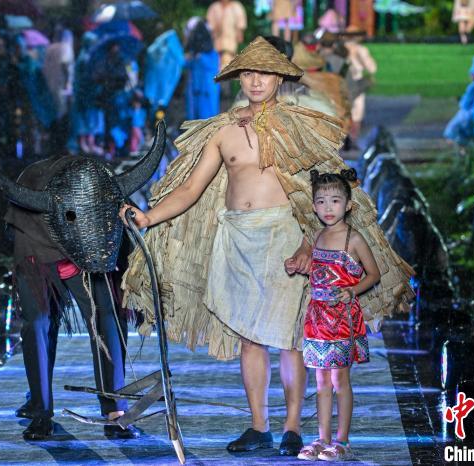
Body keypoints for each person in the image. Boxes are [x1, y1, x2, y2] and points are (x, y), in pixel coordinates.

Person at [120, 36, 414, 456]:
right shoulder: (222, 132)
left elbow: (324, 193)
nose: (256, 81)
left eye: (265, 73)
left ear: (279, 78)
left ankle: (293, 427)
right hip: (237, 237)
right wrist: (149, 217)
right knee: (250, 339)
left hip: (286, 238)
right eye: (249, 73)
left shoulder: (299, 126)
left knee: (290, 337)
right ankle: (259, 425)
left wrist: (312, 247)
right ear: (239, 78)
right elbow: (191, 187)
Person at [6, 157, 140, 440]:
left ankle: (115, 409)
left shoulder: (104, 196)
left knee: (108, 315)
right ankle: (40, 410)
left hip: (90, 251)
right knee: (39, 321)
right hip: (38, 249)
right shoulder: (30, 217)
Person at [291, 169, 379, 461]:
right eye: (322, 202)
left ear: (349, 204)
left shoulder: (353, 240)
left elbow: (374, 274)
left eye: (335, 201)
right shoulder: (316, 236)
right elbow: (314, 270)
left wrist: (353, 290)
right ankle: (321, 438)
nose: (328, 208)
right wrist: (296, 264)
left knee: (340, 381)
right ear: (314, 206)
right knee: (321, 383)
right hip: (316, 321)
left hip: (342, 320)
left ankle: (342, 441)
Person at [343, 27, 377, 141]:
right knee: (357, 113)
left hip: (342, 81)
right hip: (356, 81)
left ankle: (346, 140)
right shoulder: (361, 50)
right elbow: (372, 68)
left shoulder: (340, 47)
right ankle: (352, 139)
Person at [185, 19, 220, 120]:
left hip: (206, 93)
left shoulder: (210, 55)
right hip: (197, 93)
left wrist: (198, 57)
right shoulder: (195, 57)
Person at [206, 0, 247, 69]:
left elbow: (241, 25)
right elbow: (209, 26)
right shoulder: (214, 7)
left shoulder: (236, 6)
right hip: (216, 44)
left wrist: (239, 34)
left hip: (230, 44)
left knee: (226, 64)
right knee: (216, 65)